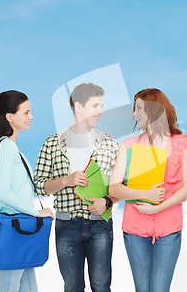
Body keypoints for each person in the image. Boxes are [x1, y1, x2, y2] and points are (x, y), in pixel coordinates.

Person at [33, 83, 119, 292]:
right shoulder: (53, 143)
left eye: (101, 105)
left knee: (101, 286)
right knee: (72, 287)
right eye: (95, 105)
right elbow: (39, 185)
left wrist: (106, 202)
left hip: (100, 225)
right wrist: (66, 180)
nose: (100, 111)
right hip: (67, 225)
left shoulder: (110, 143)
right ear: (78, 106)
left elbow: (122, 185)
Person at [108, 88, 187, 292]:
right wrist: (144, 195)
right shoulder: (129, 145)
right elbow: (114, 188)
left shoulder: (184, 144)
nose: (134, 114)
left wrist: (157, 208)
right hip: (135, 227)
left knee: (159, 289)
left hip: (169, 227)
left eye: (138, 108)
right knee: (142, 289)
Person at [0, 90, 54, 292]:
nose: (31, 117)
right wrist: (36, 212)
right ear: (10, 117)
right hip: (15, 227)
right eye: (26, 112)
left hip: (20, 228)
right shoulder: (6, 147)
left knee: (29, 287)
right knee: (10, 287)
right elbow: (3, 192)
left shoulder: (11, 147)